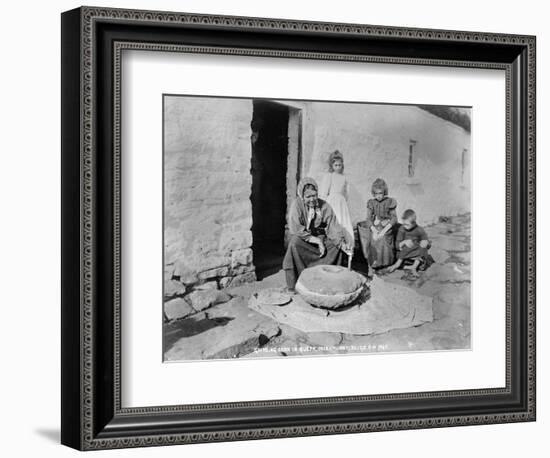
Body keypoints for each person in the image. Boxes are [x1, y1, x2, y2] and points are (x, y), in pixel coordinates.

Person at [282, 177, 351, 291]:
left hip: (321, 238)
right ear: (302, 196)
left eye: (314, 195)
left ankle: (331, 280)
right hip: (305, 239)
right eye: (308, 196)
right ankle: (297, 284)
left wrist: (342, 244)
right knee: (294, 243)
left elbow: (333, 227)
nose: (312, 199)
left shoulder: (324, 206)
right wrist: (317, 241)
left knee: (335, 246)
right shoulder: (297, 205)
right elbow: (296, 229)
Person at [357, 178, 398, 272]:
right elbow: (368, 219)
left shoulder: (389, 201)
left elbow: (394, 219)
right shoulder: (371, 202)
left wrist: (384, 231)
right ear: (373, 193)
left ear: (384, 192)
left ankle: (387, 262)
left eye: (381, 193)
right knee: (373, 238)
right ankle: (375, 263)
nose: (379, 196)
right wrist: (375, 231)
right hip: (376, 225)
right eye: (376, 194)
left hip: (387, 226)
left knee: (383, 238)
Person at [318, 150, 354, 247]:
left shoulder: (343, 178)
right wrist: (325, 205)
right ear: (332, 166)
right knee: (334, 220)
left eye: (339, 165)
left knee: (343, 221)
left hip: (341, 202)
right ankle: (334, 241)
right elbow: (324, 192)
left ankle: (347, 243)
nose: (338, 167)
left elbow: (346, 192)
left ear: (342, 165)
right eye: (336, 165)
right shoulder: (330, 176)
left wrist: (343, 200)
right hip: (332, 202)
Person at [387, 209, 434, 277]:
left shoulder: (419, 229)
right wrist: (403, 242)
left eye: (407, 225)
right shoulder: (402, 229)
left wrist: (425, 243)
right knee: (408, 245)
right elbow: (397, 245)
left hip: (415, 252)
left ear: (414, 223)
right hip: (403, 253)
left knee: (422, 247)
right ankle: (397, 265)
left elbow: (426, 241)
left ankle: (414, 267)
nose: (404, 226)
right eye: (404, 224)